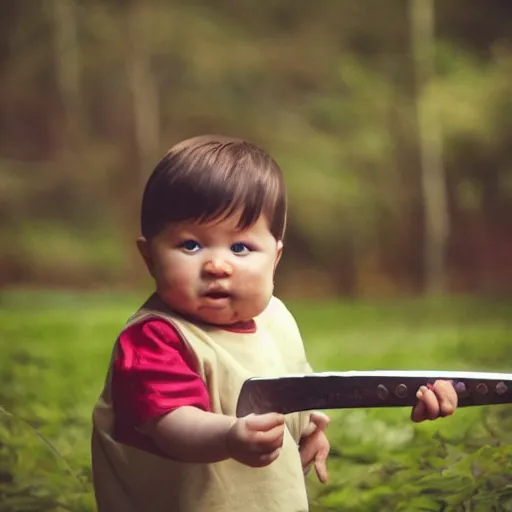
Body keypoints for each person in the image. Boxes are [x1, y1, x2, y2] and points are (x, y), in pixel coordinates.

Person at [91, 135, 458, 512]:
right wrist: (230, 436)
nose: (218, 265)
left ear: (275, 258)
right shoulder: (156, 338)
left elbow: (288, 392)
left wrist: (309, 429)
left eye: (240, 248)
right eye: (191, 245)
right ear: (149, 256)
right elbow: (171, 424)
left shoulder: (275, 319)